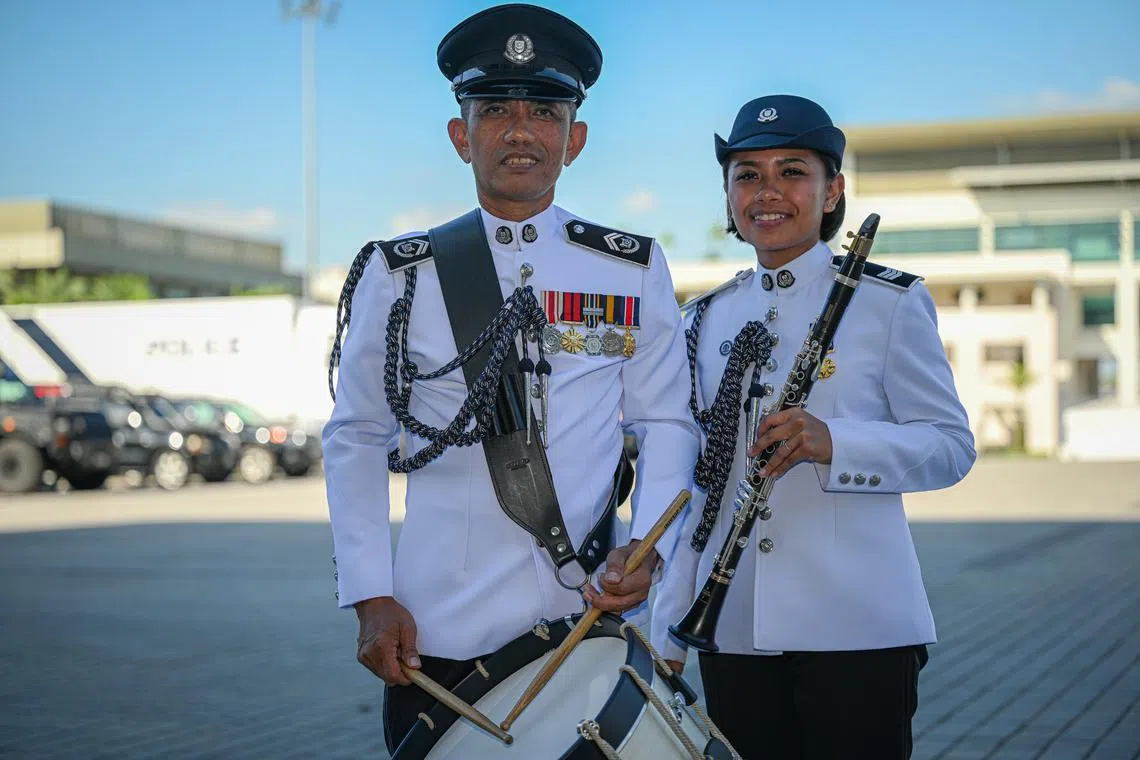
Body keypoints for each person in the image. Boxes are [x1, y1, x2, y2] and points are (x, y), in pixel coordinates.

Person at [321, 4, 699, 754]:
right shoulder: (401, 275)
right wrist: (370, 594)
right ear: (462, 135)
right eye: (495, 110)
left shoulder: (628, 268)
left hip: (587, 614)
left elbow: (666, 423)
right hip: (438, 633)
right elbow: (357, 436)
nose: (520, 130)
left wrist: (647, 548)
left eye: (544, 111)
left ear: (575, 139)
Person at [649, 94, 977, 759]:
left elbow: (950, 447)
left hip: (857, 626)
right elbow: (698, 485)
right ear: (729, 197)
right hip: (734, 628)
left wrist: (837, 442)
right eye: (748, 174)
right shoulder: (703, 318)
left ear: (833, 192)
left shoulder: (890, 303)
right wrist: (668, 623)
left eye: (791, 170)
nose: (768, 191)